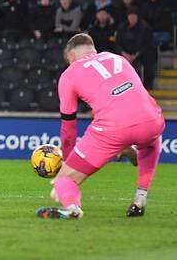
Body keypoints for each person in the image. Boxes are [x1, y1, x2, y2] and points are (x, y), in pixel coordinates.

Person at [37, 34, 164, 219]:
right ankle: (140, 196)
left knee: (63, 180)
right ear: (92, 49)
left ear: (70, 54)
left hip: (113, 128)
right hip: (152, 119)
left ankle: (73, 208)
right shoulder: (117, 58)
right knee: (152, 138)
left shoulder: (69, 74)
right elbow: (133, 95)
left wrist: (67, 159)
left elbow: (69, 127)